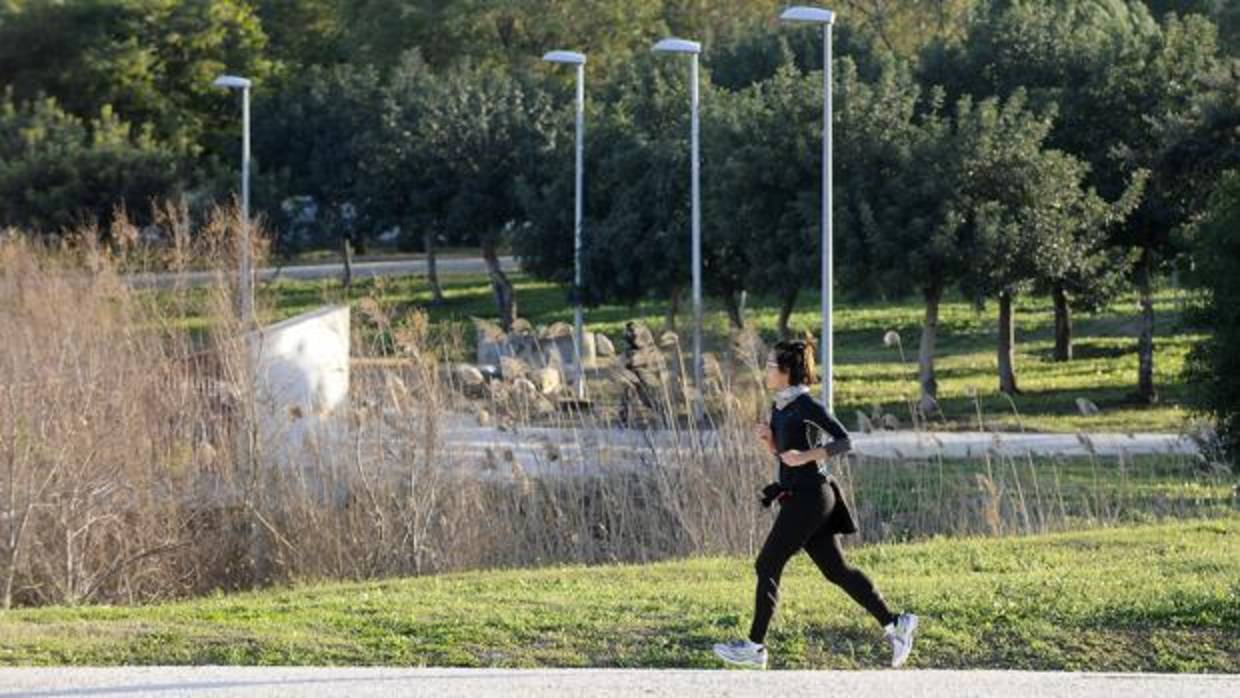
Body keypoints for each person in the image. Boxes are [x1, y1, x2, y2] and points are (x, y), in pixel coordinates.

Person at [713, 339, 918, 670]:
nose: (764, 371)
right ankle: (896, 624)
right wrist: (771, 443)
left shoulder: (808, 405)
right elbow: (787, 456)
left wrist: (806, 456)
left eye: (769, 366)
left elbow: (843, 441)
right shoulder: (779, 406)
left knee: (767, 564)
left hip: (812, 498)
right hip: (798, 496)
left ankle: (754, 647)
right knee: (836, 570)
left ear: (786, 371)